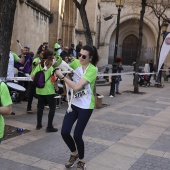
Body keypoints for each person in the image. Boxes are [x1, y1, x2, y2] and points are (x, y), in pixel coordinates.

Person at [55, 45, 99, 170]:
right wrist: (56, 65)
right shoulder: (75, 63)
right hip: (74, 104)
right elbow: (62, 63)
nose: (80, 58)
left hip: (86, 106)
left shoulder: (92, 70)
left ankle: (82, 161)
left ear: (90, 58)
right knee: (64, 132)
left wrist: (62, 77)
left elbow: (76, 87)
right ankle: (74, 153)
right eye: (79, 54)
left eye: (84, 56)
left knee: (77, 135)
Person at [32, 50, 58, 132]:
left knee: (40, 107)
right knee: (52, 108)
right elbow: (53, 79)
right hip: (49, 90)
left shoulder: (39, 65)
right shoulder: (51, 66)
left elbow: (32, 76)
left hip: (39, 90)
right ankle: (49, 126)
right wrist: (56, 85)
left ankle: (38, 125)